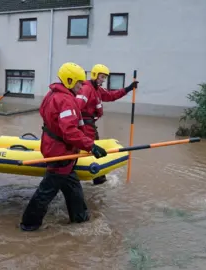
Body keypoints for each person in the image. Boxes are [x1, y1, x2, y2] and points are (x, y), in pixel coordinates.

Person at [20, 62, 109, 232]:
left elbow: (48, 117)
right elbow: (69, 132)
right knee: (47, 190)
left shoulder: (52, 94)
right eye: (78, 83)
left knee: (72, 186)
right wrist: (91, 146)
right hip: (60, 151)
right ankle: (29, 224)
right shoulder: (66, 100)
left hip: (56, 147)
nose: (81, 86)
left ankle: (80, 219)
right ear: (69, 81)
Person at [75, 64, 139, 185]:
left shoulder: (97, 89)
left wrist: (128, 89)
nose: (103, 80)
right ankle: (99, 180)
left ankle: (98, 179)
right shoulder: (87, 89)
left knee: (94, 150)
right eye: (102, 77)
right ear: (95, 75)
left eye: (105, 78)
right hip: (86, 126)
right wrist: (78, 127)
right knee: (94, 150)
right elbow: (77, 107)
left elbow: (111, 96)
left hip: (90, 125)